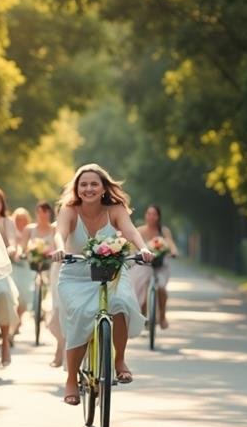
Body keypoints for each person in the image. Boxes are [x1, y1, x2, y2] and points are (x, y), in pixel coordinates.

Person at [52, 164, 153, 405]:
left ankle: (119, 361)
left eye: (94, 184)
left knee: (120, 304)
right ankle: (71, 380)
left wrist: (144, 248)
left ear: (103, 187)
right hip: (75, 276)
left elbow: (130, 232)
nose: (88, 188)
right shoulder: (69, 210)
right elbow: (61, 233)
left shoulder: (115, 209)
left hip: (111, 274)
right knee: (79, 315)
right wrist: (58, 247)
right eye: (83, 184)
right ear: (77, 188)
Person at [20, 201, 64, 367]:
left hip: (52, 265)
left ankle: (61, 350)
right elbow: (23, 248)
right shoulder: (30, 229)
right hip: (35, 265)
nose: (42, 214)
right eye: (39, 211)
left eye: (45, 211)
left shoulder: (55, 228)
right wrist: (28, 253)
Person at [129, 204, 179, 329]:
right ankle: (142, 313)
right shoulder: (139, 230)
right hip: (145, 265)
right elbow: (133, 247)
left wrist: (173, 252)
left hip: (160, 265)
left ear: (158, 217)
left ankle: (162, 315)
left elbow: (171, 244)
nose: (151, 217)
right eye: (149, 213)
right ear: (145, 215)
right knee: (142, 287)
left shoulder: (163, 231)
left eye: (154, 214)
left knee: (161, 287)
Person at [0, 187, 21, 366]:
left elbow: (13, 241)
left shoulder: (7, 222)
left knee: (4, 294)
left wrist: (12, 249)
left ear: (2, 204)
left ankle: (5, 339)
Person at [10, 207, 34, 330]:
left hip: (26, 268)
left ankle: (18, 321)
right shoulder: (12, 231)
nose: (21, 221)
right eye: (18, 219)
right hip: (13, 267)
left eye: (23, 219)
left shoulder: (30, 231)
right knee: (15, 298)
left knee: (24, 299)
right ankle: (12, 327)